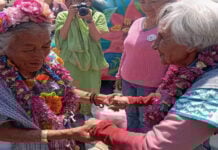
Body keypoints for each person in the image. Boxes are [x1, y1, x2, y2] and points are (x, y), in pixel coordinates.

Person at [82, 0, 218, 149]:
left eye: (163, 38)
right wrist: (132, 100)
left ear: (191, 44)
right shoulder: (191, 65)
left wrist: (101, 129)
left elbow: (155, 145)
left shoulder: (211, 88)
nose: (154, 45)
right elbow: (166, 97)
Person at [0, 0, 109, 149]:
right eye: (29, 50)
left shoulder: (49, 63)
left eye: (45, 46)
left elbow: (63, 90)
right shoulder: (3, 78)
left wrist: (97, 98)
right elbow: (3, 131)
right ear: (4, 48)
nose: (39, 55)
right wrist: (66, 134)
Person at [115, 0, 171, 132]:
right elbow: (127, 50)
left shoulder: (168, 28)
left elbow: (173, 60)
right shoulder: (137, 23)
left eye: (152, 2)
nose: (147, 6)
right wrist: (119, 74)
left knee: (145, 121)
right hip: (127, 81)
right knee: (130, 116)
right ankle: (129, 144)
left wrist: (164, 86)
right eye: (143, 2)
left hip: (150, 86)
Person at [55, 0, 109, 118]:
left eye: (84, 1)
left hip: (91, 61)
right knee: (70, 89)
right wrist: (70, 17)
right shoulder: (63, 15)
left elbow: (96, 37)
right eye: (77, 1)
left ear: (90, 2)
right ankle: (68, 116)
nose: (80, 3)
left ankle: (89, 118)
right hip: (70, 60)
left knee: (91, 88)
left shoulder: (98, 16)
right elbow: (62, 36)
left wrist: (89, 20)